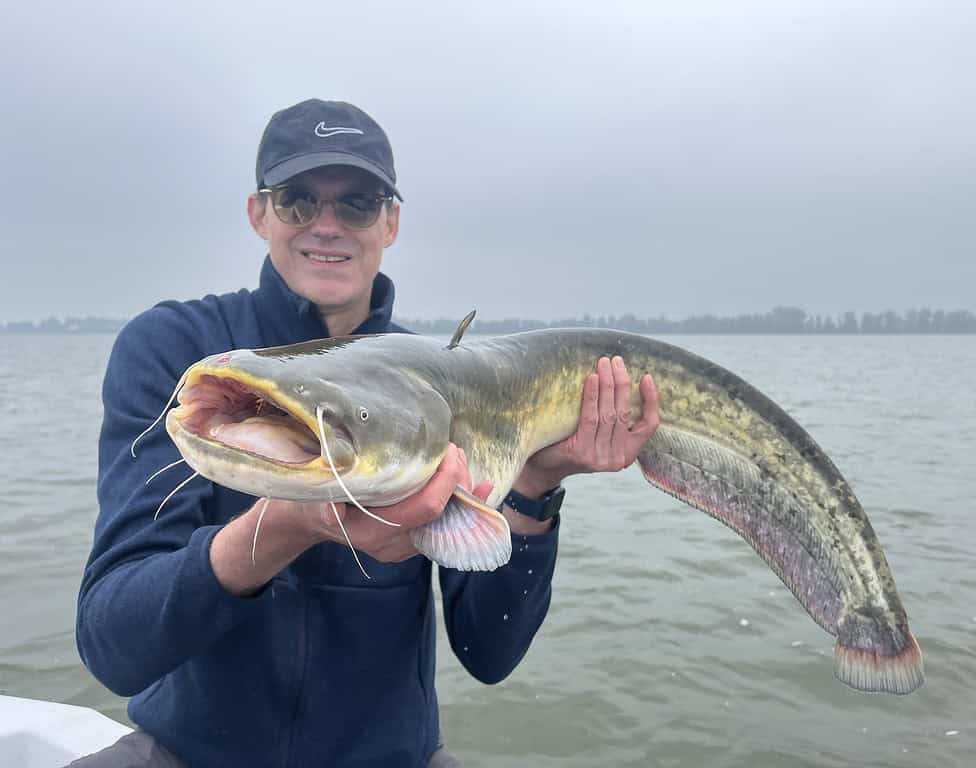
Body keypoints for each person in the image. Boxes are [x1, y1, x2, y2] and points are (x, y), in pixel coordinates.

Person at [73, 99, 660, 767]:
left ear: (392, 221)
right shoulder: (177, 350)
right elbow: (113, 645)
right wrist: (287, 525)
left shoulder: (440, 386)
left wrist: (534, 488)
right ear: (258, 212)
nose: (327, 225)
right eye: (297, 200)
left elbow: (489, 652)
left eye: (356, 203)